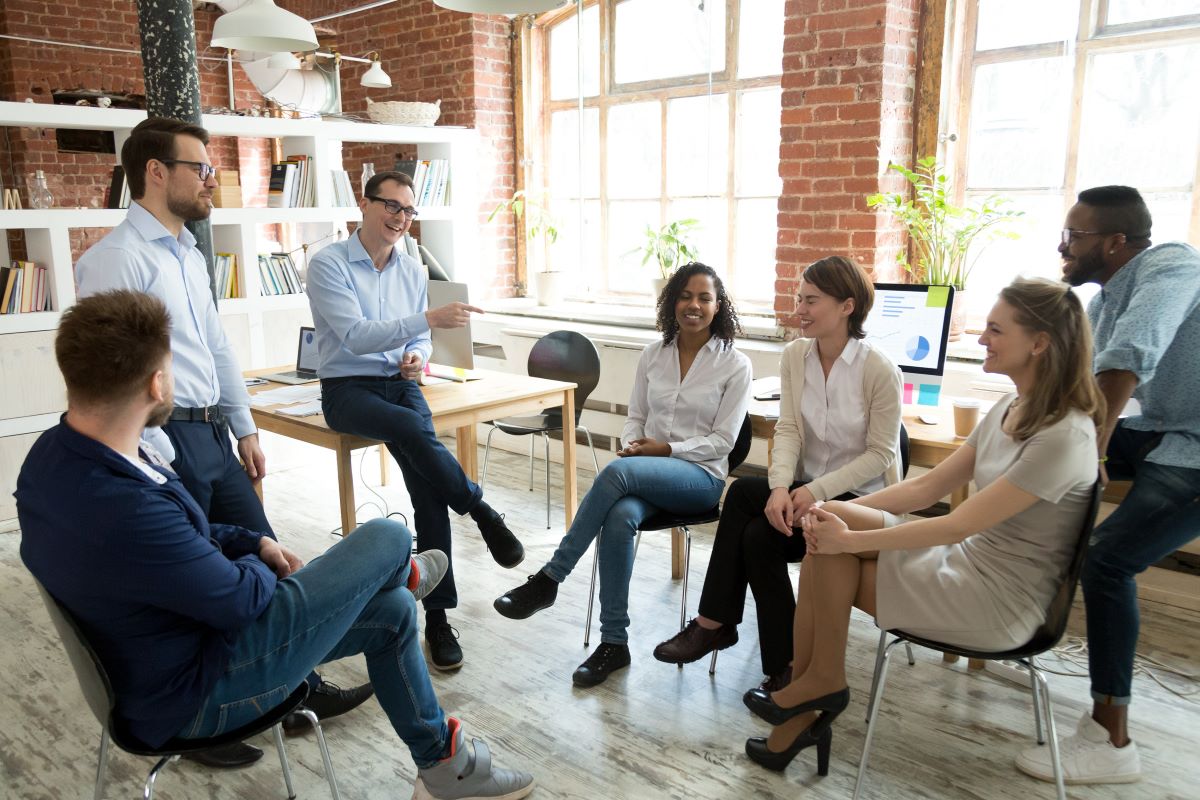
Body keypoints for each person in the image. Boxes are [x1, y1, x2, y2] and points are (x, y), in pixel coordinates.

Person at [17, 290, 535, 800]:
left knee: (395, 612)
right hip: (197, 692)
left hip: (159, 658)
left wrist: (255, 541)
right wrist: (262, 565)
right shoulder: (126, 504)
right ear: (157, 383)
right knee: (390, 535)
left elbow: (182, 538)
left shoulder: (54, 459)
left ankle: (443, 763)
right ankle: (401, 568)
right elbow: (241, 599)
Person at [74, 117, 370, 766]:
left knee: (268, 562)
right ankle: (207, 721)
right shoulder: (114, 260)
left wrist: (244, 426)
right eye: (200, 168)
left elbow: (214, 346)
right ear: (157, 173)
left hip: (212, 432)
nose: (212, 180)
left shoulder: (188, 253)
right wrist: (146, 463)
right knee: (194, 592)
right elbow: (115, 378)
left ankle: (295, 691)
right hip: (163, 445)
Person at [740, 278, 1102, 776]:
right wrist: (831, 512)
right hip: (963, 565)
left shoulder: (1064, 436)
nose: (981, 340)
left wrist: (855, 540)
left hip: (997, 600)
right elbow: (921, 492)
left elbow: (956, 525)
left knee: (834, 547)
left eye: (995, 330)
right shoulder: (1008, 407)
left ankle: (807, 706)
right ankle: (817, 686)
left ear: (1039, 343)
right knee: (828, 523)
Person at [1013, 186, 1200, 785]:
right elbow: (1079, 378)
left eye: (1074, 236)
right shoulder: (1102, 298)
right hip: (1161, 428)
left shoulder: (1173, 265)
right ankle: (997, 610)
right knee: (1028, 450)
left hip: (1195, 445)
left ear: (1115, 242)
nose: (1062, 246)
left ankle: (1111, 738)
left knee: (1108, 562)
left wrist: (1089, 446)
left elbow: (1129, 354)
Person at [493, 263, 753, 687]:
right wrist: (635, 445)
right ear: (672, 303)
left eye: (704, 298)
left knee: (617, 475)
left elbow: (723, 442)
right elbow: (636, 417)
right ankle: (614, 643)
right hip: (647, 472)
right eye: (686, 296)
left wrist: (663, 450)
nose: (694, 305)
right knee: (618, 517)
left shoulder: (734, 365)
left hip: (699, 479)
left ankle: (549, 579)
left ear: (718, 306)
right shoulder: (653, 355)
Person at [306, 170, 524, 672]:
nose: (400, 219)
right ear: (364, 205)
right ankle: (483, 511)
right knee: (411, 431)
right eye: (391, 206)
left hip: (401, 384)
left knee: (428, 494)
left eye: (408, 211)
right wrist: (427, 323)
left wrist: (416, 354)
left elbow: (415, 342)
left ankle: (439, 620)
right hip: (348, 390)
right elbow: (358, 338)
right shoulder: (328, 264)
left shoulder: (411, 268)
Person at [652, 256, 902, 693]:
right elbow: (788, 429)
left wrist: (813, 493)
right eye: (798, 298)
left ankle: (720, 626)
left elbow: (881, 455)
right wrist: (783, 487)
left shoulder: (878, 369)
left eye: (811, 301)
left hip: (858, 504)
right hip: (806, 494)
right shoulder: (796, 356)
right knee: (751, 500)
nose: (799, 310)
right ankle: (781, 663)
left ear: (847, 306)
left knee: (755, 534)